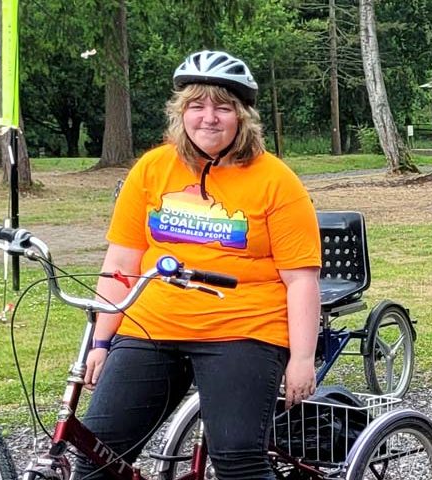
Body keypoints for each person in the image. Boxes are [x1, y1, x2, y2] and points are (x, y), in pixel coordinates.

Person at [76, 50, 321, 480]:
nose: (209, 117)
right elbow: (122, 260)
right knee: (95, 456)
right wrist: (100, 342)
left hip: (242, 329)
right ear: (180, 112)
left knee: (237, 460)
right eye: (197, 105)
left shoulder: (275, 180)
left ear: (242, 117)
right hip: (151, 327)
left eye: (223, 107)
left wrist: (302, 358)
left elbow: (301, 279)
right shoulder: (152, 168)